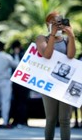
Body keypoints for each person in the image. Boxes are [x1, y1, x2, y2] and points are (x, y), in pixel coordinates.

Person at [35, 10, 76, 140]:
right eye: (53, 23)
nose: (57, 26)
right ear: (48, 24)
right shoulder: (42, 38)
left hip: (65, 84)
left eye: (59, 22)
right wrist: (52, 35)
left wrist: (72, 36)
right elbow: (47, 55)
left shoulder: (66, 40)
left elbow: (71, 55)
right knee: (51, 119)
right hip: (48, 82)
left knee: (65, 119)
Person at [9, 40, 30, 128]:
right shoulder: (11, 56)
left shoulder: (24, 55)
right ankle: (16, 120)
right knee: (16, 102)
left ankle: (23, 120)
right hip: (15, 83)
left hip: (23, 83)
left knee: (23, 102)